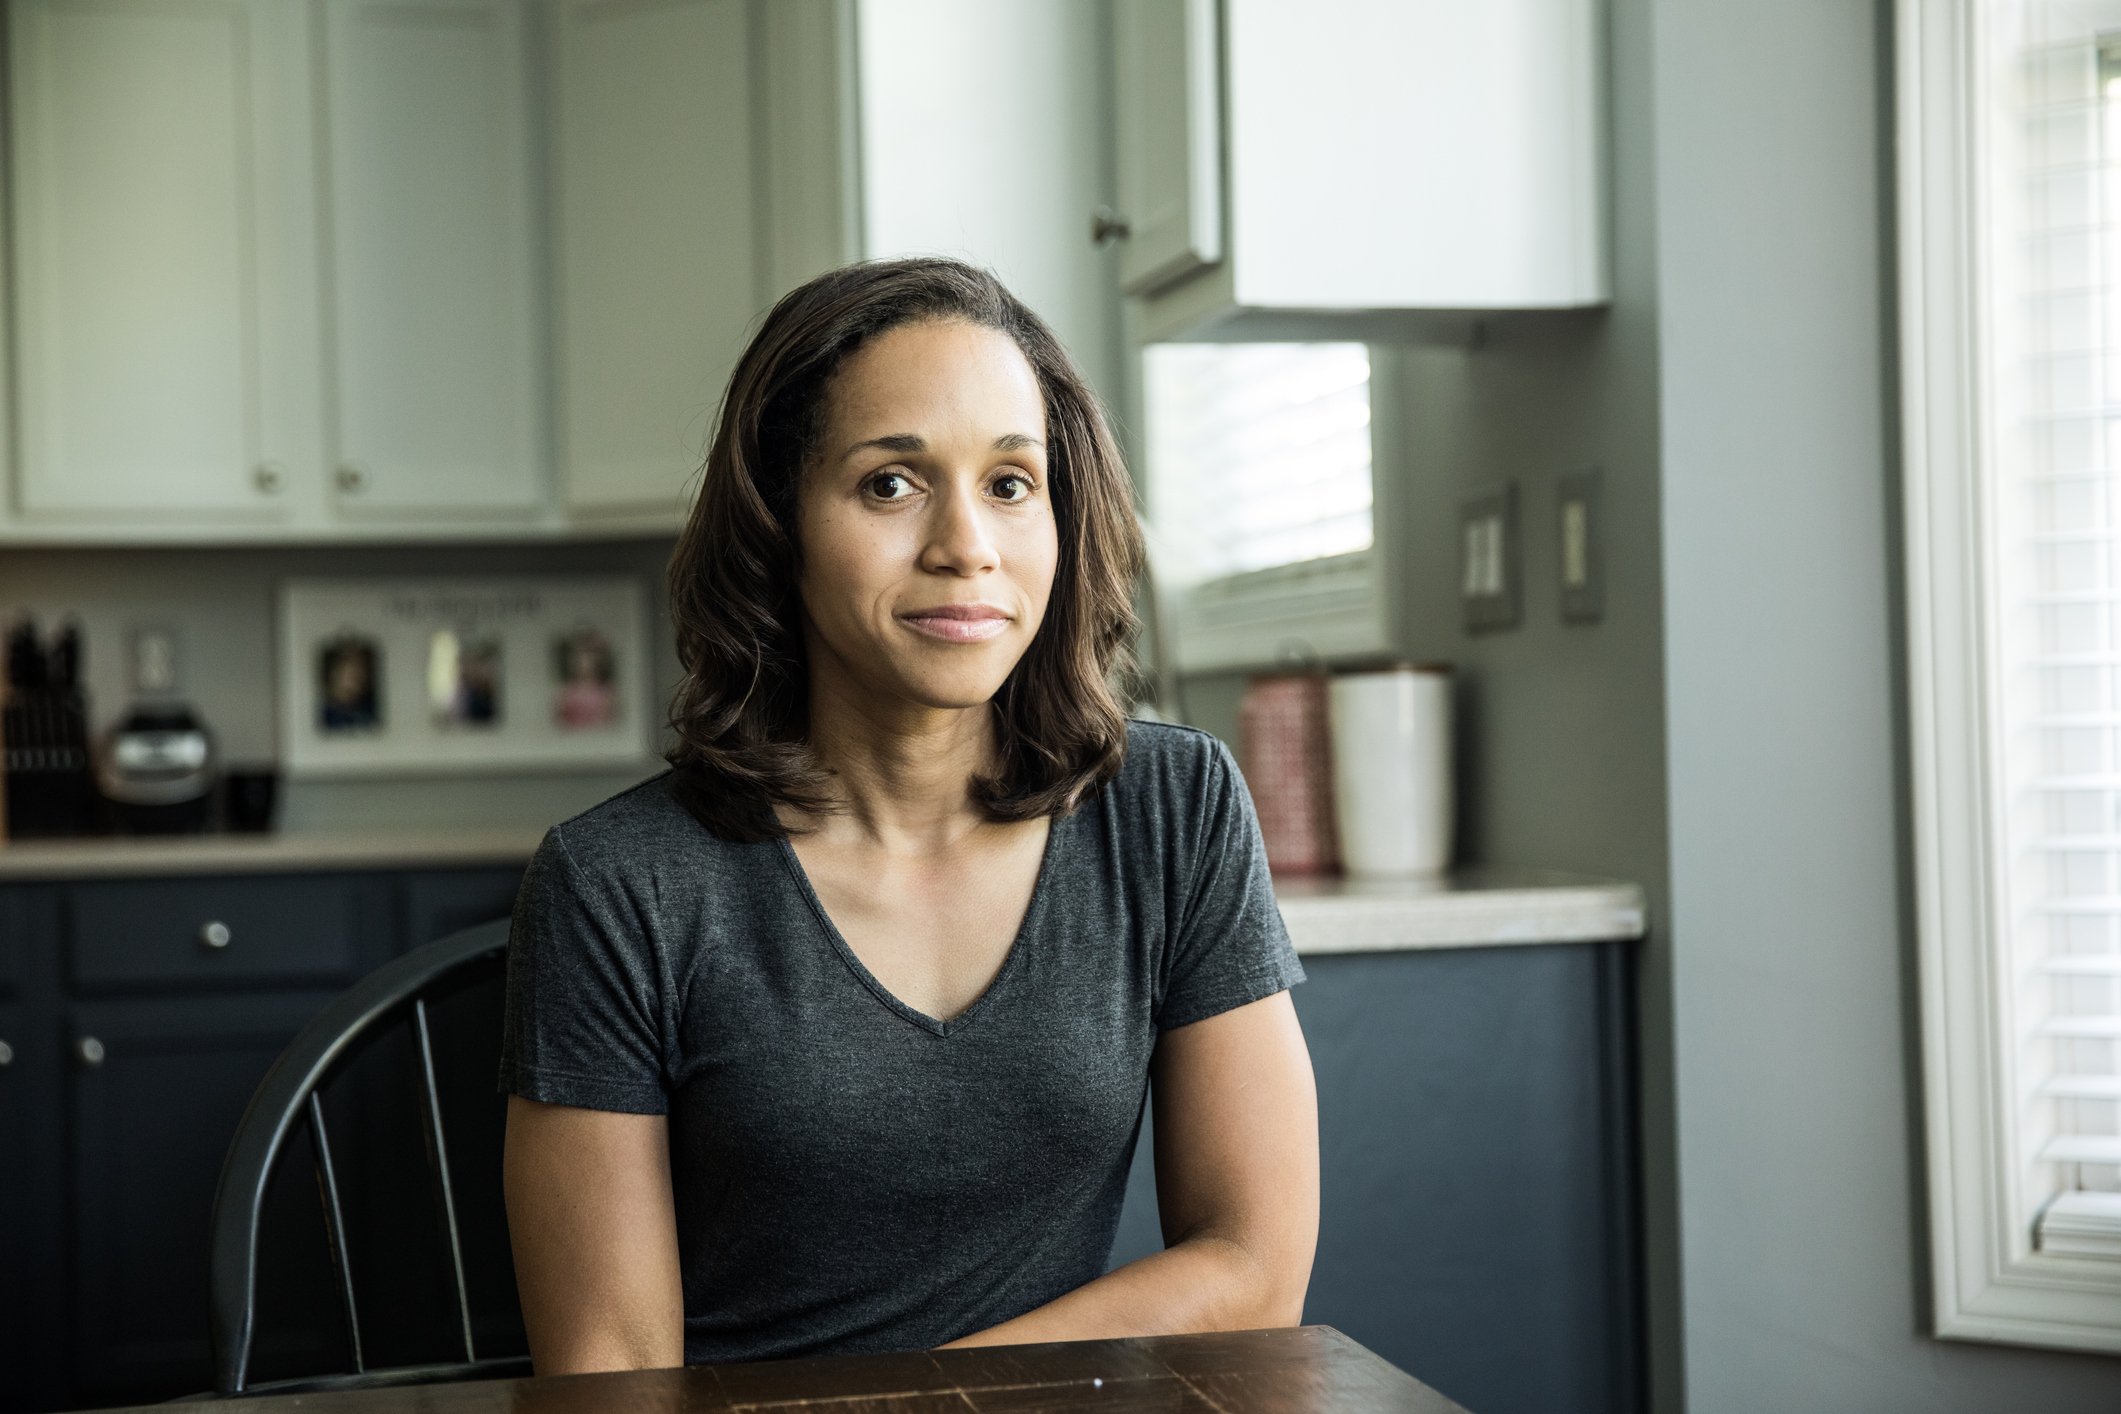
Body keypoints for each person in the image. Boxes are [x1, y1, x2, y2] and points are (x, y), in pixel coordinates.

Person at [497, 256, 1318, 1374]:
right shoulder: (618, 882)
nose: (966, 546)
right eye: (891, 483)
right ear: (777, 523)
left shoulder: (1174, 811)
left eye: (1011, 483)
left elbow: (1254, 1264)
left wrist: (925, 1404)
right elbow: (612, 1371)